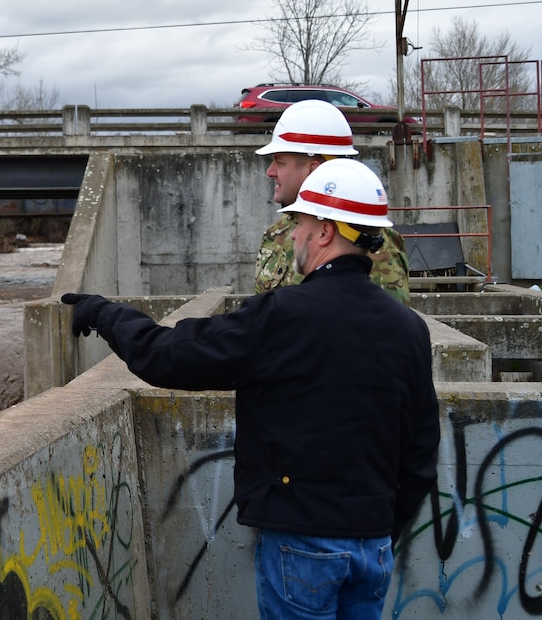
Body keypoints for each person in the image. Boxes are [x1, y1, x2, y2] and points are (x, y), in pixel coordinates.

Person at [62, 158, 439, 620]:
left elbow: (168, 356)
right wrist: (379, 527)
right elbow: (421, 454)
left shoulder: (283, 313)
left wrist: (105, 313)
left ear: (324, 233)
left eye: (300, 222)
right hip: (374, 546)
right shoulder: (408, 328)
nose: (294, 235)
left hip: (302, 540)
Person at [254, 99, 411, 304]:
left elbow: (383, 328)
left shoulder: (368, 243)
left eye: (279, 162)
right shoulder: (276, 234)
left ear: (313, 169)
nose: (270, 172)